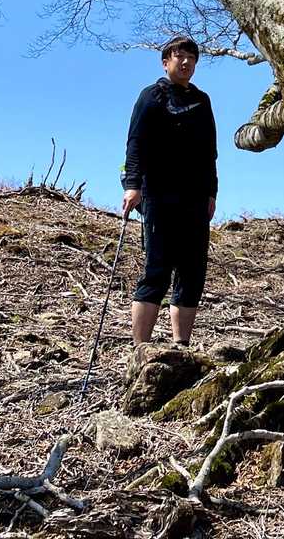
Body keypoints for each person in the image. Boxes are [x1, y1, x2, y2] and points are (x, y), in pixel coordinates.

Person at [122, 35, 218, 347]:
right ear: (166, 62)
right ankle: (141, 349)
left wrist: (212, 192)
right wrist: (132, 185)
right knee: (157, 269)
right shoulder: (151, 96)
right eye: (180, 56)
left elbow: (210, 151)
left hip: (195, 196)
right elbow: (135, 142)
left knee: (192, 271)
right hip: (158, 193)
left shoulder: (202, 101)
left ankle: (181, 347)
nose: (187, 62)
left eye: (192, 57)